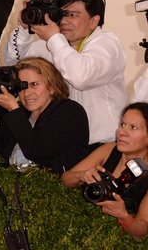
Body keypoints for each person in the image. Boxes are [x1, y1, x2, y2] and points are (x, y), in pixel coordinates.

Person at [4, 0, 126, 148]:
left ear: (94, 21)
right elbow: (14, 61)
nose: (64, 21)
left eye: (73, 15)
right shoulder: (57, 44)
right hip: (69, 145)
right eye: (61, 14)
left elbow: (80, 77)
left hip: (105, 145)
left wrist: (54, 38)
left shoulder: (107, 44)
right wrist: (25, 28)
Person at [0, 57, 89, 173]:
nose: (26, 93)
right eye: (22, 87)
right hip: (12, 186)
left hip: (52, 188)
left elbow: (38, 151)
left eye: (34, 84)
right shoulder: (22, 113)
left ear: (52, 86)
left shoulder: (69, 111)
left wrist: (13, 110)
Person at [62, 103, 148, 240]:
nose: (122, 132)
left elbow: (141, 230)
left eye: (133, 127)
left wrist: (124, 216)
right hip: (77, 229)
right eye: (122, 124)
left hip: (115, 245)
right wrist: (81, 175)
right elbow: (64, 179)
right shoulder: (109, 149)